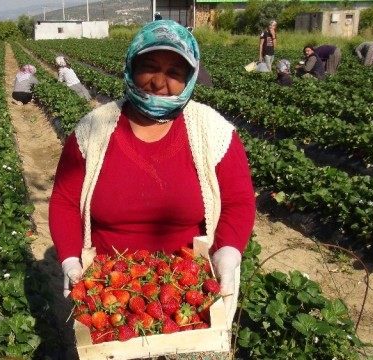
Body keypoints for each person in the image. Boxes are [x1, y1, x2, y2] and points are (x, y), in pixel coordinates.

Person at [49, 20, 255, 328]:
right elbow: (65, 200)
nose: (159, 82)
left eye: (174, 72)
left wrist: (227, 250)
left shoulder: (213, 131)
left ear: (189, 78)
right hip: (112, 291)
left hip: (188, 291)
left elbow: (238, 200)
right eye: (149, 66)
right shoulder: (93, 130)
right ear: (131, 67)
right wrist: (69, 258)